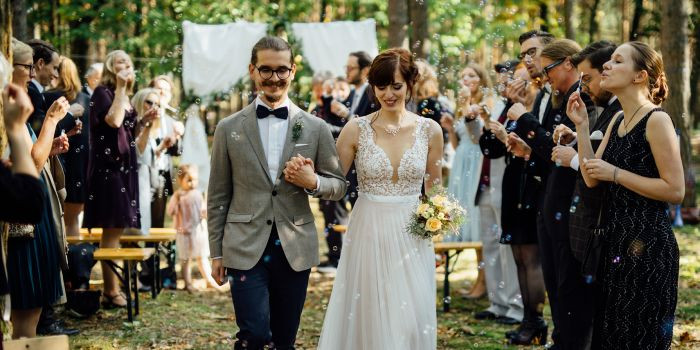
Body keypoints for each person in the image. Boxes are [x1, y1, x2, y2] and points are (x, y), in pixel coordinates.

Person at [207, 36, 346, 350]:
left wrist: (313, 182)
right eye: (266, 70)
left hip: (294, 247)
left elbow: (338, 186)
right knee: (254, 335)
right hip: (243, 246)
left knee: (284, 340)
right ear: (253, 71)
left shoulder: (316, 128)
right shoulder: (228, 128)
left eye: (281, 69)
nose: (274, 77)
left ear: (293, 70)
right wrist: (216, 252)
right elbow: (217, 195)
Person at [317, 48, 443, 350]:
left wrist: (438, 217)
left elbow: (435, 190)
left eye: (396, 85)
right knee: (372, 309)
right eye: (381, 86)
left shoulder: (430, 131)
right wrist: (312, 180)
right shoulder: (355, 129)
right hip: (369, 229)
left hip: (413, 235)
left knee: (410, 315)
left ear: (410, 84)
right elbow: (334, 183)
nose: (388, 93)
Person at [569, 41, 683, 349]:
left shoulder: (657, 120)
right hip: (616, 245)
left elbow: (675, 190)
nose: (606, 65)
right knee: (611, 336)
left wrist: (616, 174)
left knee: (639, 338)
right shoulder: (618, 120)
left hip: (649, 248)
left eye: (617, 61)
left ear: (640, 76)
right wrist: (581, 128)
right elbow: (592, 177)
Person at [507, 39, 598, 348]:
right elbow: (549, 149)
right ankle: (561, 337)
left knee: (566, 277)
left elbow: (560, 149)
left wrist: (524, 119)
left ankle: (569, 339)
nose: (544, 76)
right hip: (547, 195)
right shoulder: (556, 95)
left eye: (547, 68)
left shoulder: (582, 96)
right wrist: (528, 150)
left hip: (568, 200)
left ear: (568, 63)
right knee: (553, 274)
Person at [6, 37, 72, 339]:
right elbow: (27, 166)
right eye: (27, 67)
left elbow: (32, 156)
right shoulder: (11, 109)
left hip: (33, 218)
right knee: (25, 313)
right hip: (22, 225)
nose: (33, 74)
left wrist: (50, 148)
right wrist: (51, 122)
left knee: (31, 313)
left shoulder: (16, 104)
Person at [481, 64, 549, 344]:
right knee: (519, 255)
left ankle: (536, 320)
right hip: (513, 183)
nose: (516, 87)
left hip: (531, 183)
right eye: (514, 83)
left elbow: (542, 144)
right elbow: (492, 149)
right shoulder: (512, 108)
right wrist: (496, 133)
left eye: (522, 81)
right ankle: (527, 320)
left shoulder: (539, 109)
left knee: (531, 257)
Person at [82, 49, 138, 309]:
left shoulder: (124, 94)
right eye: (119, 62)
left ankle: (111, 289)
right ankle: (111, 291)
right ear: (109, 67)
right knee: (111, 229)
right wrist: (120, 88)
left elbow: (128, 132)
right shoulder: (103, 93)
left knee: (117, 228)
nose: (124, 65)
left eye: (127, 61)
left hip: (124, 169)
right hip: (108, 171)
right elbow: (114, 121)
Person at [439, 64, 488, 298]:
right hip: (461, 163)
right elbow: (459, 144)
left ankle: (484, 281)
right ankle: (481, 279)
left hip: (477, 162)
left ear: (481, 78)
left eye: (471, 75)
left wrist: (468, 106)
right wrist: (449, 130)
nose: (466, 79)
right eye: (463, 76)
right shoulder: (462, 107)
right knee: (466, 214)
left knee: (478, 221)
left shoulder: (486, 104)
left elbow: (478, 139)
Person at [44, 57, 91, 237]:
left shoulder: (50, 97)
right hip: (80, 166)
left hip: (56, 162)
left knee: (56, 221)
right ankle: (75, 263)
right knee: (72, 221)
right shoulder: (85, 99)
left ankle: (63, 264)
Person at [166, 164, 221, 292]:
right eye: (189, 180)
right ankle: (187, 282)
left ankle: (208, 280)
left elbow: (202, 211)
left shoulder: (197, 194)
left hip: (197, 231)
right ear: (180, 181)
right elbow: (170, 211)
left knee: (202, 257)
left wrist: (206, 211)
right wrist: (176, 203)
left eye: (195, 180)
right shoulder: (178, 195)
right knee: (185, 259)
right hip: (183, 232)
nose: (192, 183)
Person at [131, 87, 165, 236]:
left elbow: (147, 156)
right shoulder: (133, 125)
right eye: (149, 102)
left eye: (157, 104)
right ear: (139, 102)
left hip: (144, 184)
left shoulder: (150, 129)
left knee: (141, 232)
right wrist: (147, 124)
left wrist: (163, 147)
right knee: (133, 232)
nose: (153, 107)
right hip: (133, 184)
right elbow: (137, 150)